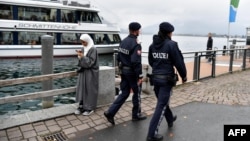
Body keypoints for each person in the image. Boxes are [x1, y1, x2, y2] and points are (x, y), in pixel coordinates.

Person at [146, 22, 187, 141]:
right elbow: (179, 62)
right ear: (169, 33)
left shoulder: (152, 45)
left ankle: (170, 119)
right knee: (161, 105)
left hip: (155, 79)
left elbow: (151, 61)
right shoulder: (171, 45)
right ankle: (151, 134)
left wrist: (159, 67)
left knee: (162, 102)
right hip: (166, 80)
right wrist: (184, 76)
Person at [103, 22, 147, 125]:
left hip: (124, 71)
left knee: (125, 93)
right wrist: (140, 75)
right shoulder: (136, 44)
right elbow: (136, 62)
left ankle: (110, 112)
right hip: (132, 73)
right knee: (137, 93)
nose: (140, 31)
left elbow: (119, 57)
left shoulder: (123, 41)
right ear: (136, 31)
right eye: (139, 30)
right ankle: (136, 115)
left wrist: (121, 70)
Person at [74, 34, 99, 116]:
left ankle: (90, 108)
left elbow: (91, 62)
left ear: (88, 41)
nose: (83, 44)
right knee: (82, 89)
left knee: (90, 89)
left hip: (91, 73)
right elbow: (82, 61)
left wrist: (82, 57)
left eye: (84, 42)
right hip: (84, 72)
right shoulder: (83, 48)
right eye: (81, 42)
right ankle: (81, 106)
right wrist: (80, 57)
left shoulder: (93, 49)